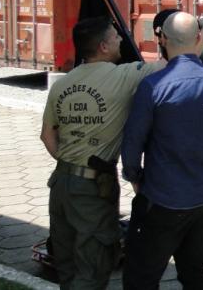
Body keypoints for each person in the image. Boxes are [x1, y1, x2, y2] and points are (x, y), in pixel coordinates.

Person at [40, 16, 166, 289]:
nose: (121, 39)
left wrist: (72, 161)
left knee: (67, 266)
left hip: (61, 183)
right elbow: (172, 64)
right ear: (103, 47)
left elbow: (47, 135)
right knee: (93, 267)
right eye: (115, 36)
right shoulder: (123, 76)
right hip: (92, 189)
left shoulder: (62, 84)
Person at [120, 11, 203, 289]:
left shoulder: (154, 86)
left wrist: (135, 177)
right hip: (202, 199)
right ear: (198, 38)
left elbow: (132, 143)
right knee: (194, 272)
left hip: (162, 199)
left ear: (163, 40)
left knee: (141, 276)